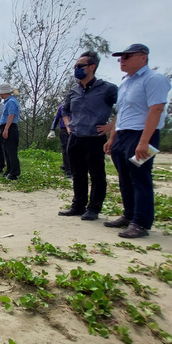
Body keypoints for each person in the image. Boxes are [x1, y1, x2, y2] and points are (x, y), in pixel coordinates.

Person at [104, 43, 171, 238]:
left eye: (126, 57)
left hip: (142, 134)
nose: (121, 61)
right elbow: (121, 112)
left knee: (140, 178)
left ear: (143, 57)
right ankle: (129, 215)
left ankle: (141, 222)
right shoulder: (125, 83)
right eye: (120, 58)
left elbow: (156, 110)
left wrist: (144, 142)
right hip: (122, 134)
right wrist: (112, 138)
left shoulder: (154, 79)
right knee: (124, 177)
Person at [58, 51, 118, 221]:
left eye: (80, 66)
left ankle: (94, 208)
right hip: (76, 137)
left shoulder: (108, 89)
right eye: (75, 66)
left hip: (95, 137)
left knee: (97, 174)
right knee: (78, 173)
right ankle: (78, 205)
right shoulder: (74, 90)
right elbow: (65, 109)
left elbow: (125, 107)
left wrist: (111, 126)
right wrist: (69, 125)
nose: (76, 69)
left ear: (92, 67)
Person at [0, 83, 20, 180]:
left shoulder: (11, 102)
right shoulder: (7, 102)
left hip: (10, 127)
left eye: (1, 93)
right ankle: (9, 170)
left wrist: (6, 129)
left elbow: (11, 115)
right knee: (6, 151)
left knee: (11, 151)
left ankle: (14, 172)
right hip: (5, 126)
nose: (0, 95)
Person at [48, 104, 72, 178]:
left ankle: (67, 166)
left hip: (75, 129)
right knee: (66, 150)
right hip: (64, 130)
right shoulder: (62, 107)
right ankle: (68, 171)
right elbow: (56, 118)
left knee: (73, 149)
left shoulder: (79, 105)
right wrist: (52, 130)